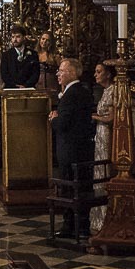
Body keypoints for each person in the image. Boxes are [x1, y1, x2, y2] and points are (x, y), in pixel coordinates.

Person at [49, 58, 96, 238]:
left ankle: (73, 226)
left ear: (73, 73)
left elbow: (63, 124)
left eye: (61, 70)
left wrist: (54, 118)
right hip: (79, 149)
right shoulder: (80, 92)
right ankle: (77, 225)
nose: (58, 74)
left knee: (71, 189)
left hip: (71, 150)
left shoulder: (73, 94)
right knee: (77, 189)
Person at [90, 62, 116, 231]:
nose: (95, 75)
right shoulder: (105, 91)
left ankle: (107, 215)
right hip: (100, 133)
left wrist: (94, 116)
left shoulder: (113, 90)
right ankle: (98, 216)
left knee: (104, 170)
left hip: (106, 134)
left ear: (108, 74)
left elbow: (111, 118)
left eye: (99, 72)